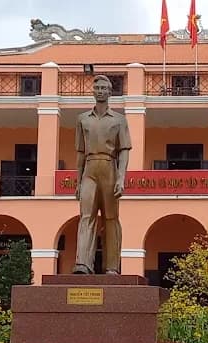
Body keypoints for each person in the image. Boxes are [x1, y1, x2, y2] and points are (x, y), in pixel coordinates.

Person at [72, 75, 132, 275]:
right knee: (86, 215)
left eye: (104, 88)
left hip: (109, 167)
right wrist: (78, 181)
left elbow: (124, 150)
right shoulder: (82, 119)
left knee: (111, 217)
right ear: (93, 91)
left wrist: (121, 178)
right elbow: (80, 152)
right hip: (89, 168)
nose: (100, 91)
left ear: (110, 92)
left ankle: (112, 266)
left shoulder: (119, 120)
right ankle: (83, 263)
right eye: (97, 87)